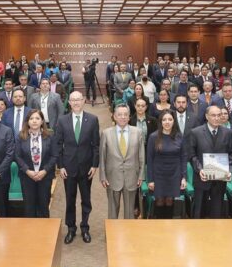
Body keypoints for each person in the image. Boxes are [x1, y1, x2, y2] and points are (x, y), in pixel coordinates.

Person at [56, 91, 100, 244]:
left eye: (78, 100)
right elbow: (58, 145)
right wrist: (60, 166)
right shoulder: (62, 121)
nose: (75, 103)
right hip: (68, 168)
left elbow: (96, 145)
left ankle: (85, 227)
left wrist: (95, 165)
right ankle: (71, 228)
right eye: (73, 100)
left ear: (83, 101)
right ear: (69, 102)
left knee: (86, 200)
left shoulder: (93, 120)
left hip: (87, 167)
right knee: (70, 199)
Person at [99, 104, 145, 219]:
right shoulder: (106, 133)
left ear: (129, 117)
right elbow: (102, 156)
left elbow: (141, 156)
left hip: (132, 177)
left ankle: (128, 235)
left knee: (130, 212)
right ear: (114, 116)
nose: (123, 117)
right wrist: (103, 176)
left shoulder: (138, 132)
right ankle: (112, 235)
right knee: (113, 211)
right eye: (119, 114)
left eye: (125, 115)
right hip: (112, 177)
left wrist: (141, 175)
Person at [189, 105, 232, 218]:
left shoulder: (228, 133)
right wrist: (200, 170)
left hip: (219, 181)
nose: (216, 118)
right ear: (206, 116)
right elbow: (192, 155)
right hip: (201, 179)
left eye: (219, 115)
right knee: (199, 213)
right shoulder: (196, 132)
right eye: (213, 115)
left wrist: (228, 170)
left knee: (217, 214)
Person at [15, 109, 58, 218]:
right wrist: (27, 171)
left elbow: (54, 156)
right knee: (29, 207)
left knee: (43, 207)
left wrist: (44, 171)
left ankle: (45, 234)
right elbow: (17, 156)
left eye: (37, 118)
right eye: (31, 118)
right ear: (27, 121)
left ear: (42, 121)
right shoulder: (21, 136)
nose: (34, 121)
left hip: (45, 176)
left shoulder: (50, 136)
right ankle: (30, 234)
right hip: (27, 176)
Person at [147, 109, 187, 218]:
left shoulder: (179, 136)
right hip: (158, 175)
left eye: (170, 119)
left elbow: (183, 158)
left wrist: (184, 177)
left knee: (170, 201)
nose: (167, 122)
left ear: (174, 121)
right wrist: (150, 180)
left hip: (174, 175)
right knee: (159, 201)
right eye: (164, 120)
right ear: (160, 122)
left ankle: (169, 230)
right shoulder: (153, 137)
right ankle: (159, 230)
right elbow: (149, 160)